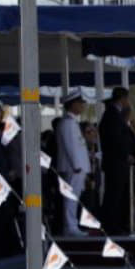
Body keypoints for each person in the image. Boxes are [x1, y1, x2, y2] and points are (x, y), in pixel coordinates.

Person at [97, 87, 135, 234]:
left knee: (119, 194)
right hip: (115, 162)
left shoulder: (115, 115)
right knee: (114, 195)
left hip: (119, 163)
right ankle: (111, 226)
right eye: (127, 99)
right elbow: (115, 140)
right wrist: (125, 154)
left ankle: (119, 224)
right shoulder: (112, 115)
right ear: (122, 99)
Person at [56, 92, 92, 236]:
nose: (82, 106)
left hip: (76, 167)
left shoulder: (71, 122)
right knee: (70, 197)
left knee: (74, 197)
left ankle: (72, 225)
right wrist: (76, 165)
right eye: (80, 103)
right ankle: (69, 226)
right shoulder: (67, 123)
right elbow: (70, 146)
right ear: (73, 104)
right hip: (73, 167)